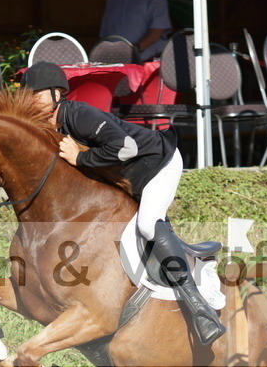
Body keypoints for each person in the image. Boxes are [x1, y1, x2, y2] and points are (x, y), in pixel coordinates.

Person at [23, 62, 225, 346]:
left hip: (158, 164)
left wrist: (81, 159)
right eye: (27, 94)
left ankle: (200, 308)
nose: (31, 99)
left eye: (37, 93)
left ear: (58, 93)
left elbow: (125, 147)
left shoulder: (78, 114)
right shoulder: (51, 125)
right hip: (129, 175)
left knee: (147, 223)